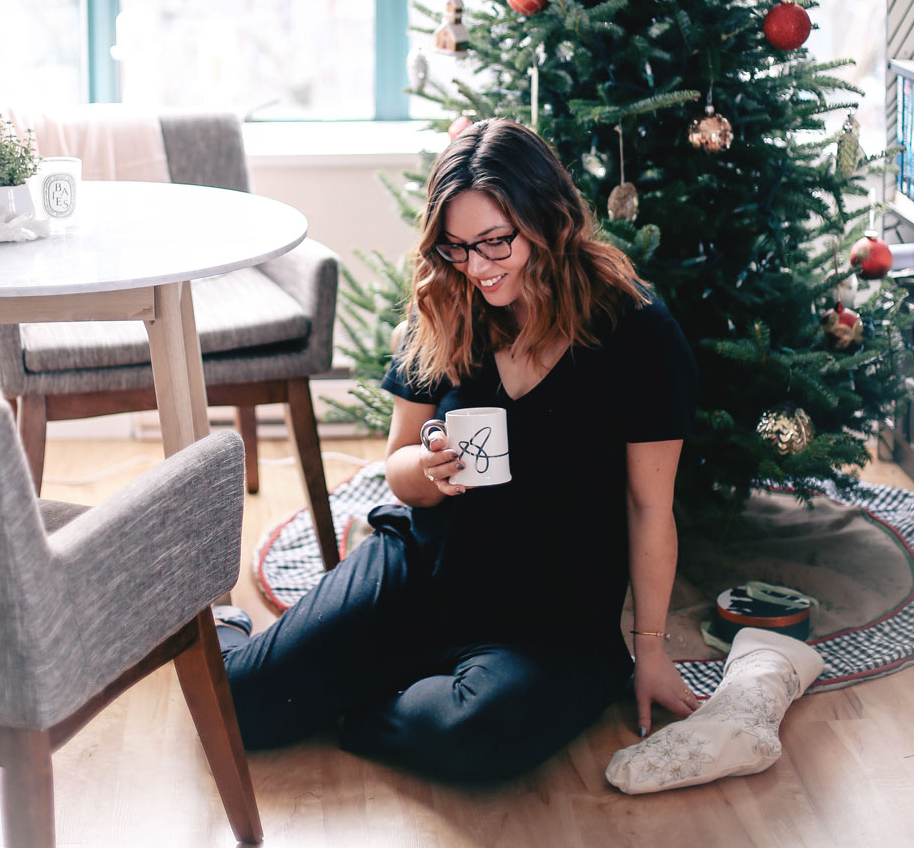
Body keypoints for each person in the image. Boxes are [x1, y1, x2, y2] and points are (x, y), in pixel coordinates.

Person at [215, 117, 699, 784]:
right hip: (426, 566)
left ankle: (361, 694)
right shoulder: (446, 301)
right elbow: (398, 469)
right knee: (237, 708)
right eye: (456, 247)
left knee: (479, 739)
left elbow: (650, 508)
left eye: (495, 242)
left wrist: (649, 649)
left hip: (551, 614)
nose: (476, 266)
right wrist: (431, 468)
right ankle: (239, 635)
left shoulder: (636, 330)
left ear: (548, 218)